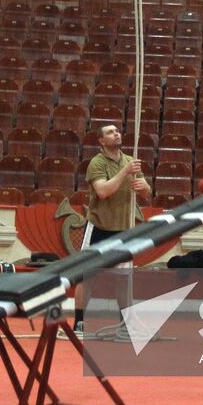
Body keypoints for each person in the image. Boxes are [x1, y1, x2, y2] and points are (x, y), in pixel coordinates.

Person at [74, 124, 152, 333]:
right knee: (86, 277)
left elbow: (146, 192)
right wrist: (125, 172)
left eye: (117, 131)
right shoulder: (97, 163)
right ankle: (80, 321)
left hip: (124, 229)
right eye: (110, 132)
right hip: (99, 226)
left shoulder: (129, 161)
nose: (116, 133)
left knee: (124, 279)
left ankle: (124, 323)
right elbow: (102, 192)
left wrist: (144, 188)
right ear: (101, 141)